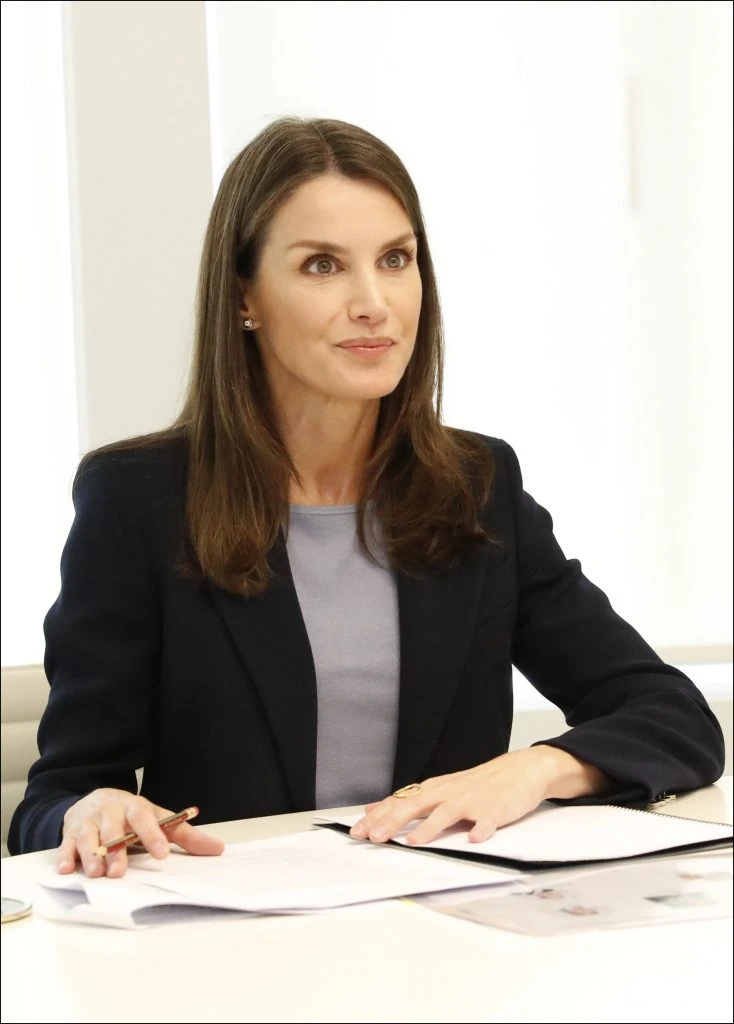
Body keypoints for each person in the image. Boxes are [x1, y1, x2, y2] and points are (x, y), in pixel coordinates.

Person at [8, 117, 724, 876]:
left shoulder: (477, 485)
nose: (374, 302)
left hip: (446, 919)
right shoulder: (138, 499)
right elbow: (54, 800)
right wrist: (90, 811)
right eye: (322, 265)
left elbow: (673, 719)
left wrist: (536, 768)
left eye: (395, 259)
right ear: (245, 296)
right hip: (235, 928)